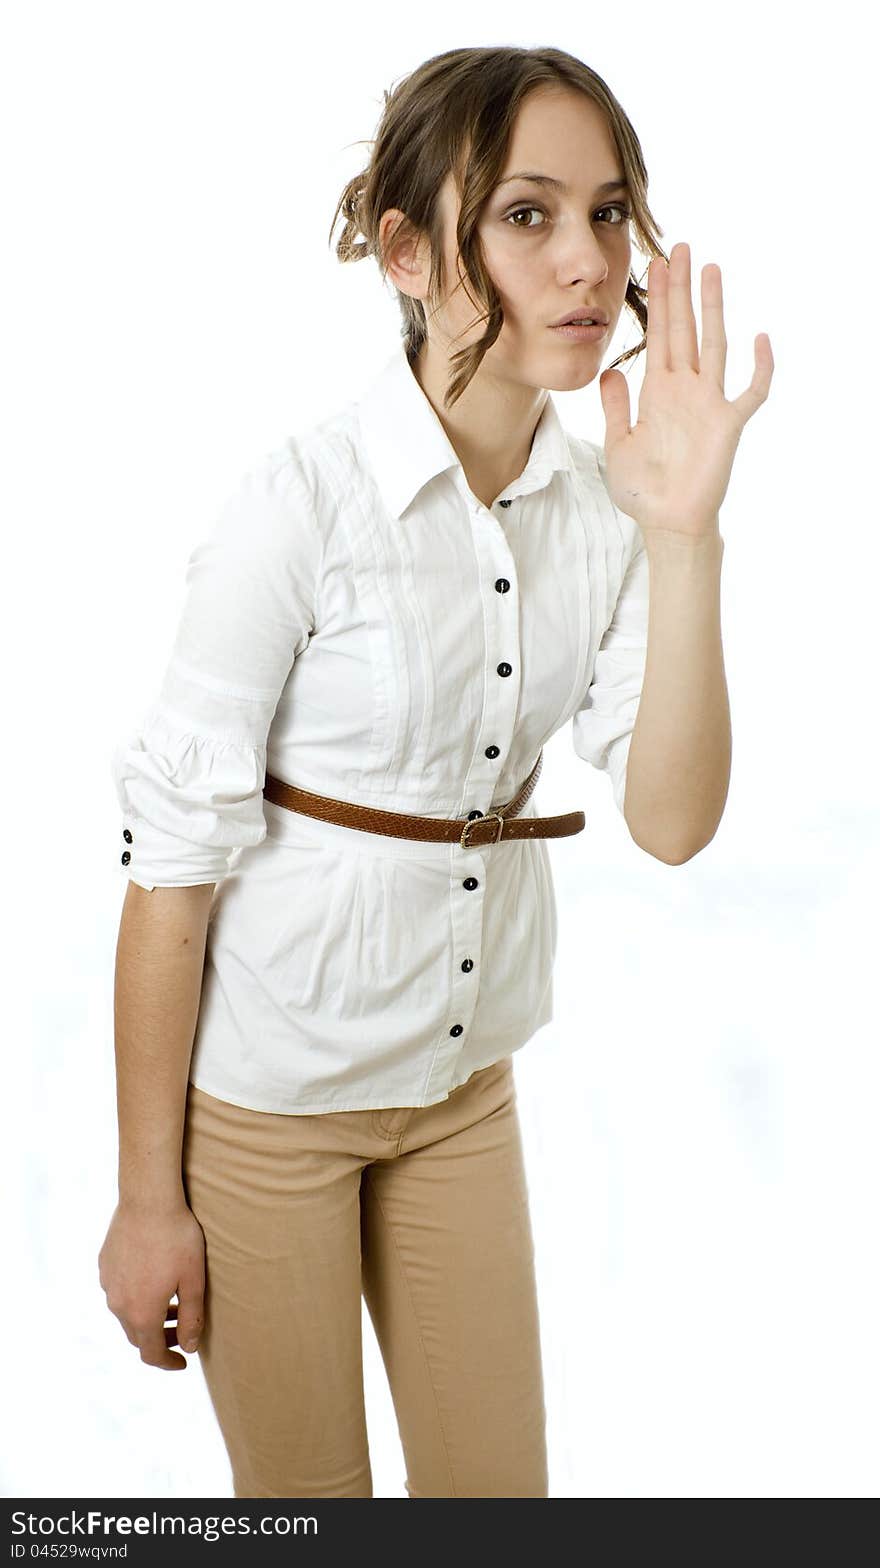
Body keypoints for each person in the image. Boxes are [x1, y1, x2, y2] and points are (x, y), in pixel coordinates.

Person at [97, 44, 771, 1500]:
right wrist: (149, 1199)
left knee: (497, 1508)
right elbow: (170, 877)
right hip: (268, 1114)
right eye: (527, 214)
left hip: (466, 1096)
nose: (586, 261)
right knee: (311, 1522)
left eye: (608, 213)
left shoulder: (606, 511)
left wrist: (686, 534)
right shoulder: (300, 508)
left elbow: (670, 822)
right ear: (408, 250)